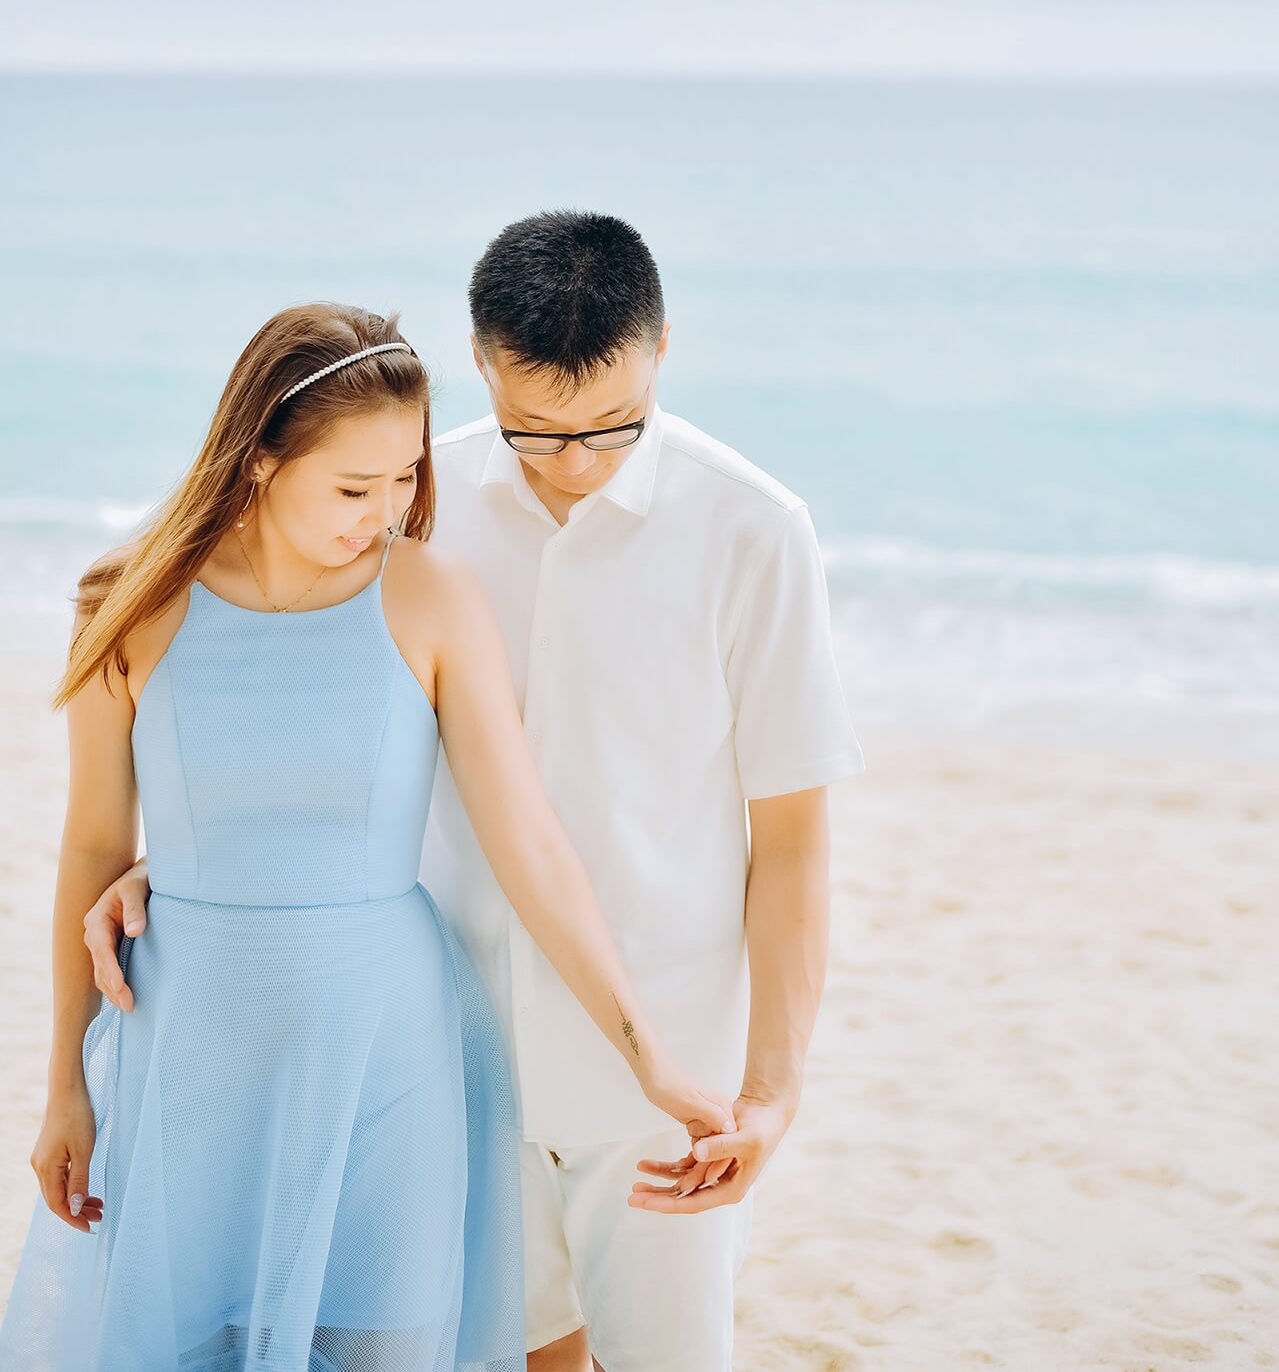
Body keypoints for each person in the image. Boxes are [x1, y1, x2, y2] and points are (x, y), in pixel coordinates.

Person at [85, 212, 866, 1372]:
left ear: (662, 351)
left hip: (653, 1051)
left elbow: (793, 839)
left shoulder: (754, 529)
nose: (578, 462)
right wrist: (191, 857)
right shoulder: (403, 501)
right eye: (537, 432)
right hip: (448, 1042)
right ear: (483, 360)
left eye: (614, 425)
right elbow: (315, 704)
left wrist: (771, 1087)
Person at [0, 302, 732, 1372]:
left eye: (404, 480)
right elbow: (92, 850)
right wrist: (64, 1083)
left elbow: (525, 837)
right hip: (189, 1043)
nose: (383, 512)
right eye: (353, 487)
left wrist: (650, 1055)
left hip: (387, 1047)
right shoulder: (131, 600)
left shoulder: (428, 594)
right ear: (258, 461)